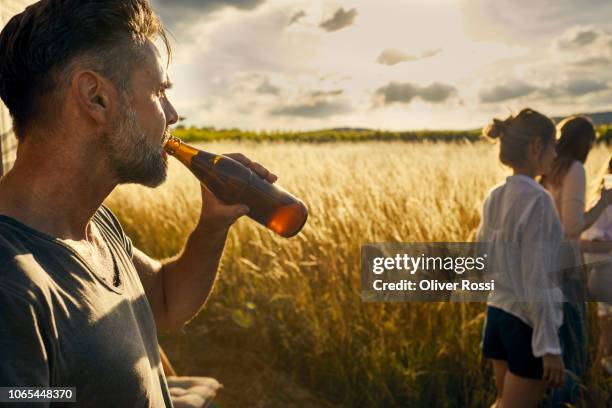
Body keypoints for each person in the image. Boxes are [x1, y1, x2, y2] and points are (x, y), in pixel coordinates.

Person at [0, 1, 277, 406]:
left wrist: (213, 226)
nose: (173, 114)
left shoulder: (94, 225)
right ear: (96, 98)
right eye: (159, 92)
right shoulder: (12, 286)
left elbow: (166, 300)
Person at [477, 108, 564, 408]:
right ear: (536, 147)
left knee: (502, 402)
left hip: (497, 316)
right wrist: (549, 347)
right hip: (525, 326)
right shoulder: (539, 201)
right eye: (553, 146)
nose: (556, 155)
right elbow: (538, 277)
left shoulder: (495, 196)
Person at [541, 115, 612, 404]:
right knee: (572, 350)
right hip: (566, 270)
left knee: (556, 350)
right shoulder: (575, 169)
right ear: (585, 143)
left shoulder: (547, 172)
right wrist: (604, 202)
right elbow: (571, 227)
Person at [581, 158, 612, 374]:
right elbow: (587, 243)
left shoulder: (601, 197)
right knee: (606, 330)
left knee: (606, 331)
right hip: (604, 273)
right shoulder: (606, 200)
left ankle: (597, 381)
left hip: (600, 274)